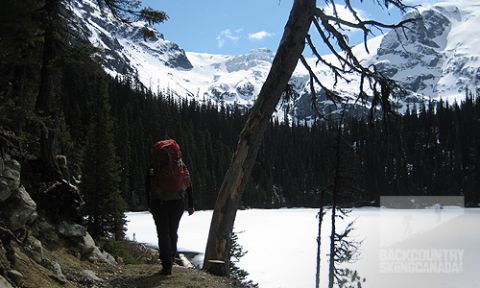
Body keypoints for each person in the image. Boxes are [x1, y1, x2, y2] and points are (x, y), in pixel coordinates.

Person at [146, 139, 195, 275]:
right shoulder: (180, 165)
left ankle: (166, 265)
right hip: (177, 202)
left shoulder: (154, 165)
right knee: (173, 231)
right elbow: (188, 184)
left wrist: (149, 203)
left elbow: (148, 185)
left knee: (163, 233)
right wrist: (191, 204)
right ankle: (171, 258)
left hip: (158, 202)